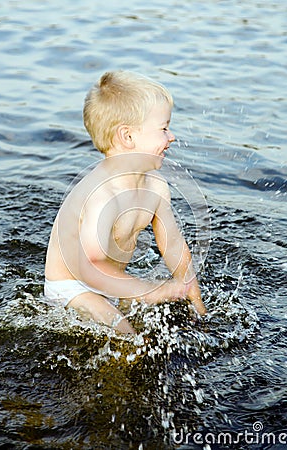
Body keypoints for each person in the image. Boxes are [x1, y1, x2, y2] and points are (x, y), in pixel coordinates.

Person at [45, 70, 206, 334]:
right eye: (164, 129)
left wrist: (196, 303)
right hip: (73, 286)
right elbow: (92, 263)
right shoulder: (102, 194)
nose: (172, 136)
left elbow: (174, 245)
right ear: (128, 137)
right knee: (128, 336)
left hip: (109, 283)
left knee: (147, 319)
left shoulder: (156, 186)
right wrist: (149, 291)